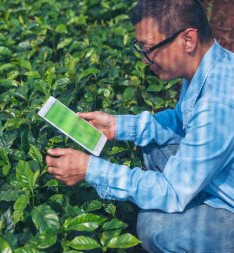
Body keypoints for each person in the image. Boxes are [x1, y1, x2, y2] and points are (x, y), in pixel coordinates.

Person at [45, 0, 234, 252]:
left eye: (149, 49)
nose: (146, 60)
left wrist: (91, 170)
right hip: (221, 177)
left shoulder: (218, 104)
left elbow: (172, 191)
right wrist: (118, 126)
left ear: (188, 39)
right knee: (154, 147)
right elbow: (180, 122)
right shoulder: (210, 66)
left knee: (155, 227)